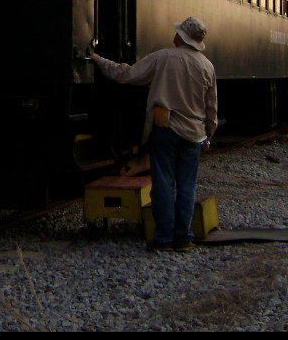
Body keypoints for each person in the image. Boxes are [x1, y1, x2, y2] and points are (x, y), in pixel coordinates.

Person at [90, 17, 218, 252]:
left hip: (165, 130)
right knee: (187, 187)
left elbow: (126, 74)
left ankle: (164, 238)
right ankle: (183, 238)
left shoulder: (164, 57)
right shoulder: (207, 67)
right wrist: (208, 135)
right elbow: (211, 109)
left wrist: (98, 60)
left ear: (181, 37)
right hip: (194, 134)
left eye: (178, 31)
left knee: (163, 185)